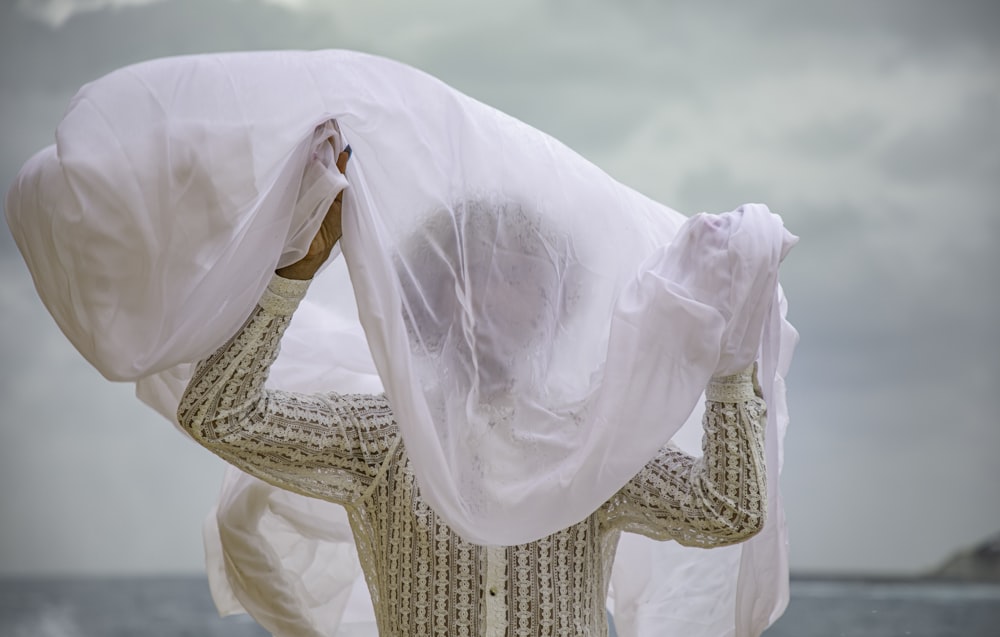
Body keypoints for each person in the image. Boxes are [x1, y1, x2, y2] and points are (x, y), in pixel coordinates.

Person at [177, 147, 768, 637]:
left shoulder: (586, 444)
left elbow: (728, 511)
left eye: (526, 277)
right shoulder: (385, 437)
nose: (505, 297)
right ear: (433, 297)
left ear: (554, 308)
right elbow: (218, 414)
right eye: (482, 272)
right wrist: (295, 271)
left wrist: (732, 364)